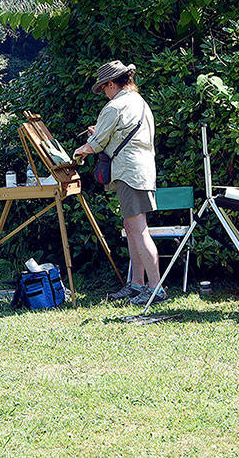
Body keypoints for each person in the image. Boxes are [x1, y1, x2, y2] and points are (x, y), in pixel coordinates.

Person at [72, 60, 160, 305]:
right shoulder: (139, 102)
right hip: (140, 171)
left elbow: (95, 145)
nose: (103, 94)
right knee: (133, 229)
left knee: (139, 231)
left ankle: (155, 289)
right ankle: (137, 285)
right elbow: (123, 137)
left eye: (103, 88)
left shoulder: (116, 105)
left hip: (129, 174)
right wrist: (99, 136)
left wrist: (76, 153)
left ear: (112, 84)